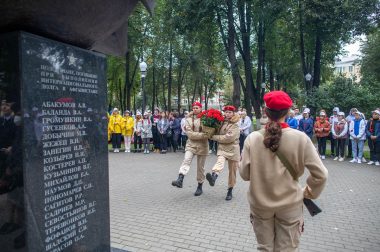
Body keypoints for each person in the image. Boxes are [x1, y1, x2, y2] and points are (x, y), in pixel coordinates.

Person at [239, 91, 328, 251]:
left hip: (260, 204)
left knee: (264, 248)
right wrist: (308, 193)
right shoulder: (301, 138)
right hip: (290, 205)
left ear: (266, 112)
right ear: (288, 112)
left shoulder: (252, 138)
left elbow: (245, 174)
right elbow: (321, 175)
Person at [171, 102, 209, 196]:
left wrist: (206, 135)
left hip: (203, 146)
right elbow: (190, 134)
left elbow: (209, 131)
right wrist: (203, 135)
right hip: (191, 144)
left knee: (200, 168)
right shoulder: (188, 119)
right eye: (194, 108)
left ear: (201, 108)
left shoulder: (206, 118)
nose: (195, 109)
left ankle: (199, 186)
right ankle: (180, 179)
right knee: (186, 160)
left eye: (197, 108)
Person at [206, 105, 240, 200]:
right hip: (222, 148)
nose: (227, 114)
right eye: (226, 112)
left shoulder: (235, 125)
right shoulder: (221, 122)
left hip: (233, 149)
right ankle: (214, 177)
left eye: (230, 112)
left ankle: (230, 190)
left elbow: (228, 138)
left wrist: (213, 137)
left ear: (233, 113)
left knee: (232, 172)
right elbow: (216, 131)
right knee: (219, 162)